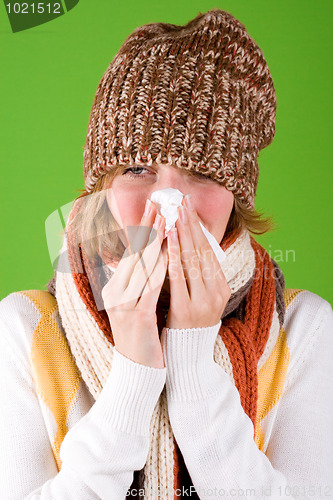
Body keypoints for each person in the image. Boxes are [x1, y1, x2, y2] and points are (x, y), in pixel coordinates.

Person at [0, 9, 332, 500]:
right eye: (136, 167)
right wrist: (132, 377)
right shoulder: (26, 332)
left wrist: (194, 368)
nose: (168, 202)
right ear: (102, 187)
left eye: (202, 172)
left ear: (236, 193)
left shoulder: (302, 330)